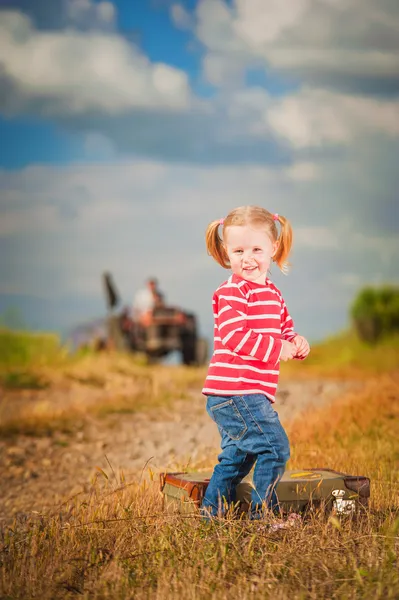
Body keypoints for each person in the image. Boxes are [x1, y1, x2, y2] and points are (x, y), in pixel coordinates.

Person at [201, 205, 310, 523]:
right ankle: (264, 516)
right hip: (236, 392)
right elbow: (236, 337)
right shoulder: (232, 292)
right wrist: (277, 349)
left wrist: (297, 344)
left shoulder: (273, 294)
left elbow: (284, 329)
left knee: (236, 459)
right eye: (238, 250)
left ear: (273, 249)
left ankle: (211, 517)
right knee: (275, 449)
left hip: (245, 394)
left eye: (256, 249)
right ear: (225, 251)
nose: (247, 259)